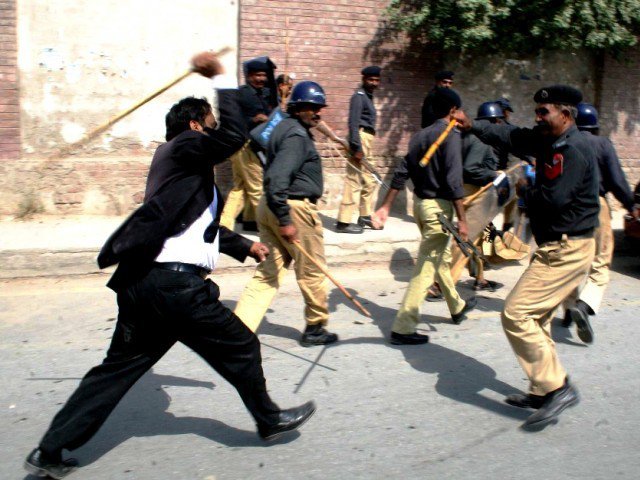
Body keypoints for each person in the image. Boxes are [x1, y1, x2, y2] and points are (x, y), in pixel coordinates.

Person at [23, 52, 316, 479]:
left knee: (115, 371)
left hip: (146, 285)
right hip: (175, 289)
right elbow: (233, 136)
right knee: (241, 345)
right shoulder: (188, 145)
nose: (216, 126)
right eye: (210, 120)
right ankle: (269, 420)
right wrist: (222, 82)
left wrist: (243, 247)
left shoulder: (177, 162)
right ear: (197, 125)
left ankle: (49, 451)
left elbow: (194, 225)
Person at [453, 84, 600, 429]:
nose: (537, 117)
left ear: (565, 115)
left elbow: (554, 200)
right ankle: (541, 389)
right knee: (537, 318)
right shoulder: (547, 139)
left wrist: (523, 190)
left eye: (543, 112)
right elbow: (510, 135)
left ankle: (558, 388)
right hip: (554, 245)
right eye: (536, 111)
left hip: (567, 248)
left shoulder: (575, 150)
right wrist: (471, 125)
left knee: (516, 315)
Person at [234, 81, 339, 347]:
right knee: (312, 271)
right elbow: (279, 178)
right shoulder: (296, 136)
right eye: (310, 108)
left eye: (319, 108)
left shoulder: (282, 127)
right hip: (292, 210)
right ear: (297, 108)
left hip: (271, 206)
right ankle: (315, 328)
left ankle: (238, 330)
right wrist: (285, 220)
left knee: (268, 273)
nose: (317, 113)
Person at [374, 87, 477, 346]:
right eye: (460, 110)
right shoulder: (449, 136)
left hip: (421, 207)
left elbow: (402, 170)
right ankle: (403, 326)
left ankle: (457, 306)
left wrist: (386, 205)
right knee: (427, 267)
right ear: (453, 111)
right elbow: (454, 181)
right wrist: (463, 219)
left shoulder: (420, 136)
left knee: (438, 258)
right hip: (439, 210)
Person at [562, 102, 640, 343]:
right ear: (595, 125)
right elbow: (616, 180)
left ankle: (567, 308)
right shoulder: (602, 144)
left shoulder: (565, 143)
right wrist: (631, 205)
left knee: (572, 259)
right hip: (595, 206)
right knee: (601, 260)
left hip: (567, 208)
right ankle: (584, 305)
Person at [219, 56, 278, 232]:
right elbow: (230, 119)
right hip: (246, 146)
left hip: (246, 146)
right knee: (257, 188)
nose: (261, 79)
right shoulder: (243, 94)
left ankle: (225, 225)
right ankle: (269, 227)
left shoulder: (263, 93)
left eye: (264, 75)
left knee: (240, 188)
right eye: (257, 75)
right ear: (248, 76)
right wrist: (254, 119)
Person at [336, 65, 382, 233]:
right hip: (360, 139)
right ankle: (343, 222)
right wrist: (356, 147)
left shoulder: (368, 98)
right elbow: (353, 123)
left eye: (376, 80)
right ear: (364, 80)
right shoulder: (359, 97)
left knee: (370, 180)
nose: (374, 83)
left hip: (368, 139)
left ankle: (364, 216)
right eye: (371, 80)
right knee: (354, 180)